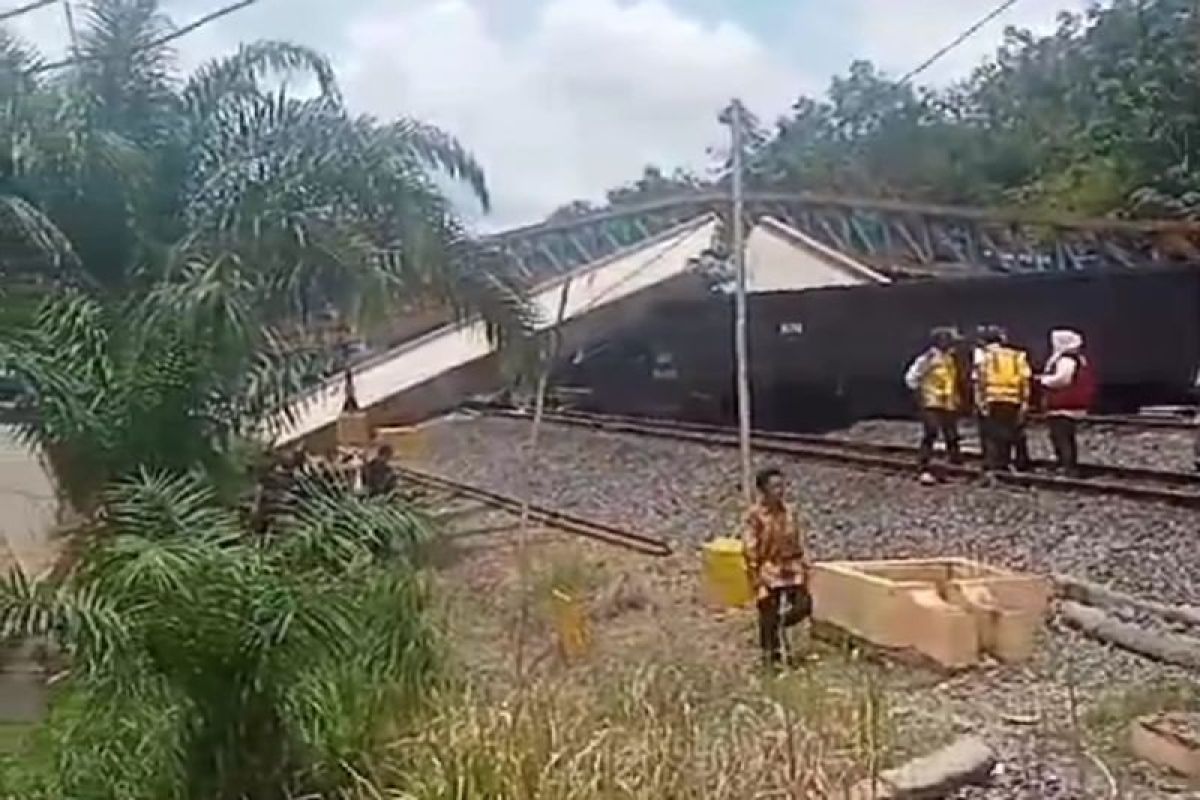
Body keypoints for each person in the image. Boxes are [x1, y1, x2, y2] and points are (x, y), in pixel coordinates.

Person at [742, 467, 813, 667]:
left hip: (791, 567)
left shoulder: (790, 512)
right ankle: (770, 658)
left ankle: (781, 625)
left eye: (782, 486)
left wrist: (806, 562)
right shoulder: (755, 516)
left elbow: (799, 539)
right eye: (774, 487)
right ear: (763, 490)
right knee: (767, 613)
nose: (780, 491)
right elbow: (750, 548)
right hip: (768, 569)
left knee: (803, 605)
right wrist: (757, 582)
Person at [904, 327, 963, 485]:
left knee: (952, 435)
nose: (950, 343)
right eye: (947, 340)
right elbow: (911, 377)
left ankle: (955, 464)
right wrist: (919, 394)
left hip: (947, 402)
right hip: (931, 401)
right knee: (931, 431)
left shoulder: (950, 358)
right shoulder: (928, 358)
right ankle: (923, 464)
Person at [974, 326, 1032, 474]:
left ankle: (995, 465)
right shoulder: (1017, 355)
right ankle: (1009, 463)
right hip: (1013, 399)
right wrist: (1025, 401)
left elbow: (979, 380)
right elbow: (1025, 379)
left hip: (992, 398)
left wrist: (980, 401)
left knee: (992, 435)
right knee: (1011, 432)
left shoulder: (984, 356)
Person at [1038, 329, 1095, 476]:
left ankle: (1067, 466)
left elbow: (1062, 379)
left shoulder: (1066, 360)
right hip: (1071, 405)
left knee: (1061, 436)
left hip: (1064, 405)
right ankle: (1066, 464)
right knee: (1064, 436)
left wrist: (1044, 380)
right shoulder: (1078, 358)